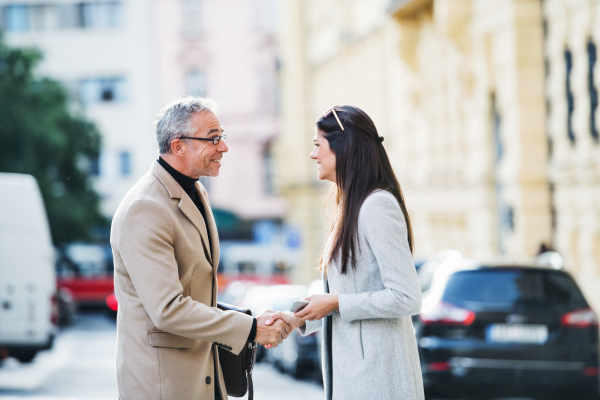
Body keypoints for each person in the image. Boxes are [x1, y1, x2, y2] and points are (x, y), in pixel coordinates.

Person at [110, 97, 294, 400]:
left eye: (221, 137)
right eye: (213, 139)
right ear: (178, 145)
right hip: (163, 384)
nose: (224, 147)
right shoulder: (145, 207)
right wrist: (249, 328)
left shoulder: (195, 190)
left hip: (202, 377)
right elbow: (168, 310)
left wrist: (253, 319)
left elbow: (196, 292)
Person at [291, 105, 424, 400]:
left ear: (343, 148)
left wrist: (336, 303)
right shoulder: (349, 206)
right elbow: (354, 290)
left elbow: (407, 297)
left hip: (378, 379)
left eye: (317, 145)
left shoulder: (376, 206)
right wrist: (297, 317)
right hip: (358, 377)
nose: (313, 155)